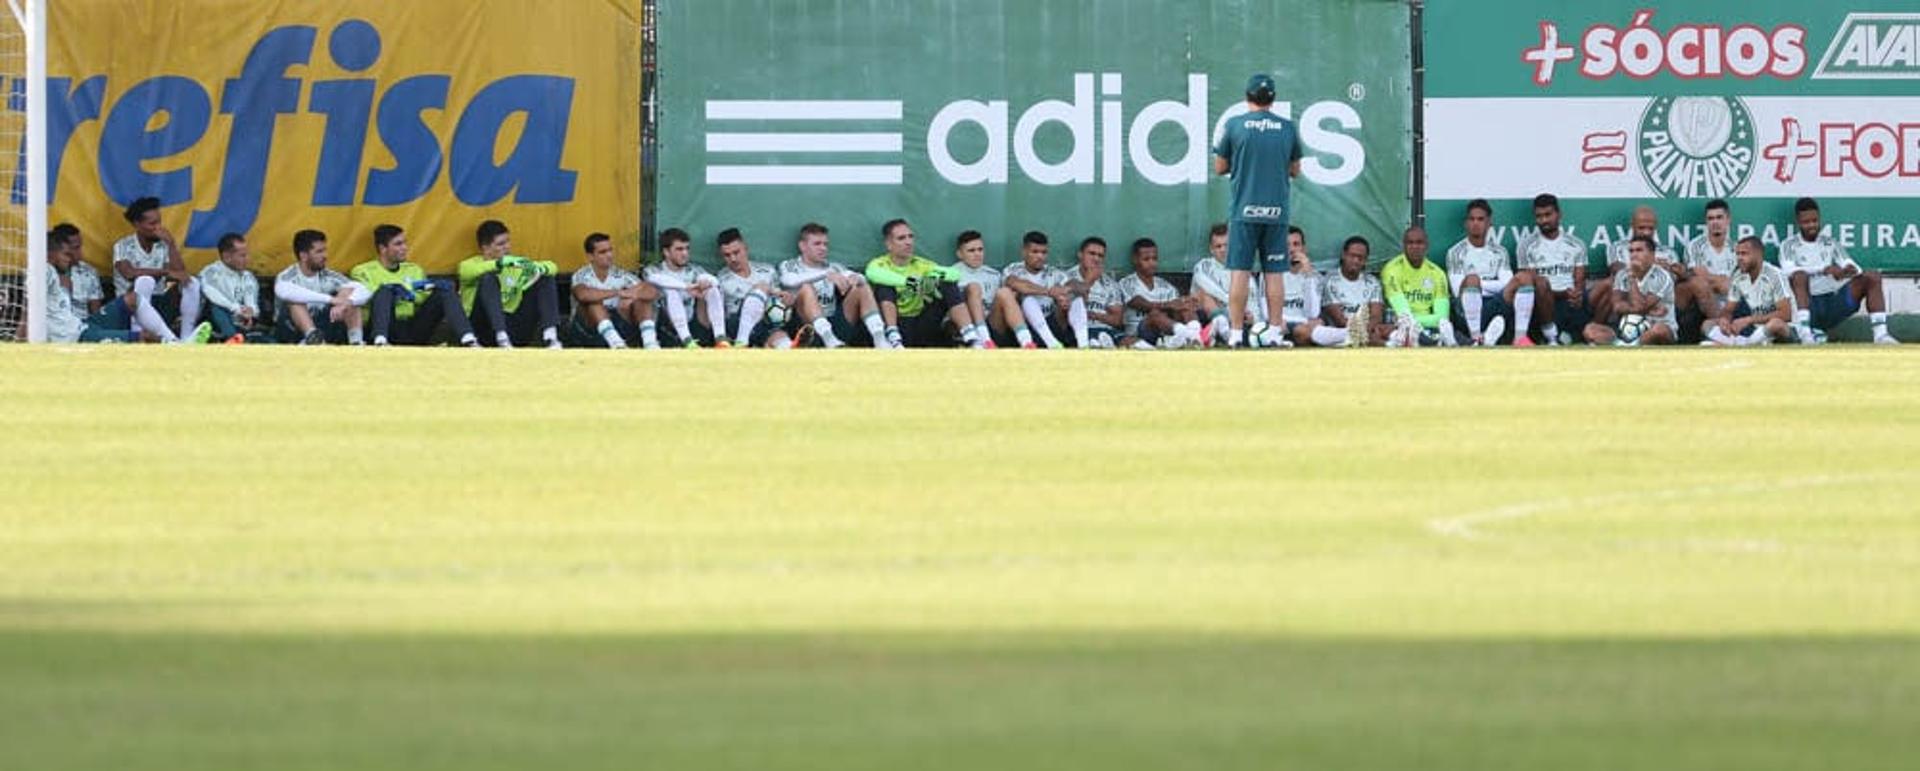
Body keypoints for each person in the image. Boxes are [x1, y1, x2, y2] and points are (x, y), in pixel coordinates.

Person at [1213, 73, 1303, 348]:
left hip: (1244, 210)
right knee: (1274, 272)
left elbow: (1219, 167)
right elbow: (1295, 170)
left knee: (1239, 271)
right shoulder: (1288, 128)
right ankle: (1275, 332)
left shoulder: (1234, 125)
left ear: (1247, 96)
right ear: (1273, 99)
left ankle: (1236, 334)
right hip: (1277, 211)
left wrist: (1243, 165)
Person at [1778, 197, 1898, 345]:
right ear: (1798, 222)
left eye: (1815, 221)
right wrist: (1824, 270)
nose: (1811, 225)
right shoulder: (1788, 245)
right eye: (1806, 222)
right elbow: (1788, 271)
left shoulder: (1830, 243)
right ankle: (1805, 335)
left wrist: (1846, 271)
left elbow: (1852, 266)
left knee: (1872, 276)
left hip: (1834, 302)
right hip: (1808, 304)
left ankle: (1881, 335)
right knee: (1799, 276)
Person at [352, 225, 480, 348]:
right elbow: (368, 297)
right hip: (385, 325)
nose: (405, 248)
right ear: (382, 248)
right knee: (385, 291)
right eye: (398, 244)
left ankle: (468, 338)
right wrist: (393, 291)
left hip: (411, 326)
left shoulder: (414, 270)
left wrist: (410, 296)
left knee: (444, 290)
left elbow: (423, 296)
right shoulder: (363, 271)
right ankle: (379, 341)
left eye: (404, 243)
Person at [865, 219, 981, 349]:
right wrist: (912, 283)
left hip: (921, 324)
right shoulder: (880, 264)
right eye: (901, 238)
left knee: (947, 285)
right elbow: (872, 273)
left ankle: (971, 337)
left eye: (911, 237)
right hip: (896, 322)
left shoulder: (921, 264)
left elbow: (954, 274)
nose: (908, 242)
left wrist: (930, 279)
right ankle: (893, 335)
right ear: (889, 244)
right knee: (884, 286)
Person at [111, 196, 205, 343]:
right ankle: (138, 334)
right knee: (144, 280)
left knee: (191, 283)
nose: (158, 228)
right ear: (137, 224)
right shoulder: (122, 246)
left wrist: (171, 244)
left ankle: (187, 337)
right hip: (130, 305)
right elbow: (129, 273)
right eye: (152, 223)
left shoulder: (162, 246)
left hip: (159, 302)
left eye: (159, 222)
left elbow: (180, 273)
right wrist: (165, 272)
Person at [778, 223, 887, 349]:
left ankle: (880, 340)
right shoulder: (790, 265)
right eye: (817, 244)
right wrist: (826, 275)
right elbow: (789, 281)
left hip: (836, 324)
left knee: (862, 287)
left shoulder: (834, 267)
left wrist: (856, 279)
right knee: (806, 288)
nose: (823, 248)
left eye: (825, 244)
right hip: (807, 329)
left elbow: (861, 278)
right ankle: (828, 338)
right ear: (802, 246)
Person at [458, 220, 562, 349]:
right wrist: (501, 263)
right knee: (487, 277)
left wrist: (537, 268)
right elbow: (468, 272)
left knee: (545, 277)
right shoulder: (469, 264)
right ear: (485, 248)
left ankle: (551, 337)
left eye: (507, 241)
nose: (507, 247)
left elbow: (553, 267)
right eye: (500, 244)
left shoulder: (514, 263)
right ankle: (501, 335)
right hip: (483, 330)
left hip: (513, 329)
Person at [43, 230, 150, 344]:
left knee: (132, 299)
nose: (70, 257)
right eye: (66, 254)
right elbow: (28, 316)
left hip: (85, 324)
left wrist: (99, 329)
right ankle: (166, 342)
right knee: (142, 337)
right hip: (74, 335)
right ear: (50, 253)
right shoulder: (44, 274)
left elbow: (95, 309)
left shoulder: (85, 273)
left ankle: (167, 338)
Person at [1513, 193, 1590, 346]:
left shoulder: (1576, 244)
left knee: (1604, 287)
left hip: (1571, 300)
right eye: (1539, 216)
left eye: (1548, 215)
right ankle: (1551, 337)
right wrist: (1562, 293)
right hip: (1544, 301)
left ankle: (1588, 335)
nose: (1544, 220)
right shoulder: (1526, 246)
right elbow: (1530, 283)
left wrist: (1577, 293)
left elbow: (1580, 279)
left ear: (1559, 214)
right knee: (1542, 283)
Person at [1592, 205, 1687, 325]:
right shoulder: (1618, 247)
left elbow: (1672, 280)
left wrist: (1679, 272)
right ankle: (1597, 330)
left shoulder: (1668, 253)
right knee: (1611, 283)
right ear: (1632, 225)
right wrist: (1648, 265)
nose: (1646, 233)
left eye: (1650, 228)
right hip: (1629, 295)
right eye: (1641, 228)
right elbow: (1617, 271)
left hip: (1659, 298)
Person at [275, 229, 370, 345]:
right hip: (290, 330)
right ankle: (313, 338)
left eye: (325, 250)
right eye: (319, 252)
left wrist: (346, 302)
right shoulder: (287, 276)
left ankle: (356, 342)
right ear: (303, 256)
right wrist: (331, 299)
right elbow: (283, 291)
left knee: (349, 295)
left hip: (322, 326)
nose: (325, 256)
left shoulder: (329, 275)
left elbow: (364, 290)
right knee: (294, 301)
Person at [1445, 199, 1516, 346]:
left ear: (1489, 222)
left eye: (1480, 219)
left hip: (1493, 304)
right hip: (1464, 309)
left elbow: (1508, 284)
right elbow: (1458, 290)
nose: (1475, 223)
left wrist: (1479, 285)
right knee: (1471, 280)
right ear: (1466, 223)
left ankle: (1519, 339)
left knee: (1522, 280)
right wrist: (1479, 284)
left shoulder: (1500, 252)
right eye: (1471, 219)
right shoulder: (1455, 252)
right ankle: (1477, 339)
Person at [570, 232, 659, 349]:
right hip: (587, 330)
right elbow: (582, 295)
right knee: (594, 303)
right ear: (590, 256)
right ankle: (616, 344)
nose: (609, 255)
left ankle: (650, 344)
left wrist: (634, 295)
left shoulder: (621, 274)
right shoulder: (582, 275)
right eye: (603, 252)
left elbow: (652, 291)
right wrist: (618, 292)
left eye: (610, 250)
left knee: (642, 301)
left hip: (617, 324)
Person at [1583, 235, 1677, 346]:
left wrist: (1633, 278)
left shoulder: (1663, 276)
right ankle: (1625, 343)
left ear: (1652, 255)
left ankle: (1628, 345)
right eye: (1631, 251)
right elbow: (1617, 306)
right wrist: (1645, 309)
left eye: (1639, 250)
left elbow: (1641, 306)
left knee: (1659, 330)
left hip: (1656, 327)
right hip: (1627, 329)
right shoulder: (1622, 275)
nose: (1634, 254)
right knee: (1590, 329)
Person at [713, 228, 794, 349]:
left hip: (766, 323)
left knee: (782, 341)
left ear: (745, 248)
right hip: (736, 325)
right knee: (761, 287)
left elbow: (780, 303)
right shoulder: (720, 279)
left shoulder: (767, 271)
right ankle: (742, 342)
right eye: (727, 255)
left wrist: (787, 301)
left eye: (736, 252)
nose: (733, 259)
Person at [1704, 237, 1793, 347]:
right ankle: (1751, 342)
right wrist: (1724, 320)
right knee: (1707, 325)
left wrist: (1748, 320)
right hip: (1756, 331)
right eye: (1738, 254)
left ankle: (1744, 345)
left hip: (1785, 329)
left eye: (1744, 254)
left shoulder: (1774, 275)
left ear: (1758, 255)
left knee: (1775, 324)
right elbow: (1728, 309)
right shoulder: (1738, 276)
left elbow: (1786, 314)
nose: (1739, 258)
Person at [646, 227, 727, 348]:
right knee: (671, 290)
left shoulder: (694, 270)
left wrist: (705, 283)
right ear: (666, 252)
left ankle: (721, 339)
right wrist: (686, 287)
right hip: (667, 327)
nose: (685, 253)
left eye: (687, 248)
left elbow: (714, 280)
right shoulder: (654, 270)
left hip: (695, 323)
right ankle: (687, 340)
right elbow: (655, 279)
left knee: (711, 289)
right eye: (679, 249)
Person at [1116, 238, 1202, 349]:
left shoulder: (1166, 286)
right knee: (1154, 314)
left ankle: (1195, 334)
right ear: (1135, 259)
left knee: (1184, 306)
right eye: (1146, 259)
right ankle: (1185, 334)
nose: (1152, 263)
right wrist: (1168, 305)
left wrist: (1184, 303)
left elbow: (1176, 308)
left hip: (1164, 330)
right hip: (1139, 332)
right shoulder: (1126, 282)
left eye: (1154, 258)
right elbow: (1138, 303)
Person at [1189, 223, 1266, 345]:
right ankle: (1224, 332)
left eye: (1226, 245)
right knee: (1203, 294)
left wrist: (1253, 319)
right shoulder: (1203, 265)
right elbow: (1208, 288)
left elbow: (1253, 303)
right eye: (1218, 246)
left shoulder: (1242, 271)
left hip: (1237, 319)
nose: (1223, 250)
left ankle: (1221, 333)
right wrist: (1233, 306)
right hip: (1205, 316)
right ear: (1211, 249)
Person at [1380, 227, 1457, 347]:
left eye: (1419, 243)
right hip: (1399, 327)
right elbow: (1403, 314)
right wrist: (1425, 321)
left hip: (1427, 327)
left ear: (1427, 245)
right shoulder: (1392, 269)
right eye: (1410, 243)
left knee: (1447, 332)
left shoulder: (1437, 273)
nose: (1415, 247)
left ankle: (1478, 341)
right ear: (1403, 246)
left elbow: (1442, 318)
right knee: (1405, 332)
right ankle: (1443, 342)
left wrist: (1417, 322)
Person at [198, 233, 269, 342]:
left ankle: (239, 338)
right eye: (242, 256)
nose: (247, 259)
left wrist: (251, 313)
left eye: (247, 255)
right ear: (227, 257)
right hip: (213, 322)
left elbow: (251, 301)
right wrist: (237, 309)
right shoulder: (210, 272)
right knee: (217, 307)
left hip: (241, 321)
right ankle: (232, 337)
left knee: (270, 342)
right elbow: (213, 296)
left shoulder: (248, 277)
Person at [1319, 236, 1388, 348]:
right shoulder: (1330, 281)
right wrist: (1361, 333)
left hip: (1368, 331)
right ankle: (1390, 346)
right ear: (1344, 255)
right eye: (1352, 256)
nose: (1356, 261)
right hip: (1341, 333)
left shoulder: (1372, 282)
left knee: (1387, 329)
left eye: (1360, 257)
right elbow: (1339, 320)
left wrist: (1366, 331)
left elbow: (1376, 316)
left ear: (1365, 260)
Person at [1683, 199, 1739, 319]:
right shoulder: (1695, 246)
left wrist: (1726, 284)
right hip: (1703, 305)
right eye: (1711, 218)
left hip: (1732, 304)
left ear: (1728, 219)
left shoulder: (1737, 249)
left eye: (1719, 217)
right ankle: (1719, 327)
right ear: (1706, 222)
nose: (1715, 222)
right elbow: (1701, 279)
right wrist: (1723, 281)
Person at [950, 231, 1001, 349]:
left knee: (1006, 294)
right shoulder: (952, 274)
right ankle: (983, 340)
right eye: (971, 251)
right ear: (959, 254)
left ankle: (1026, 341)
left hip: (991, 323)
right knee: (974, 287)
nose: (977, 254)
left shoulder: (994, 275)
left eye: (980, 249)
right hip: (964, 327)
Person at [51, 224, 104, 317]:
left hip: (83, 327)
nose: (80, 253)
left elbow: (96, 312)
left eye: (80, 247)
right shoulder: (43, 274)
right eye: (76, 248)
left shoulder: (89, 272)